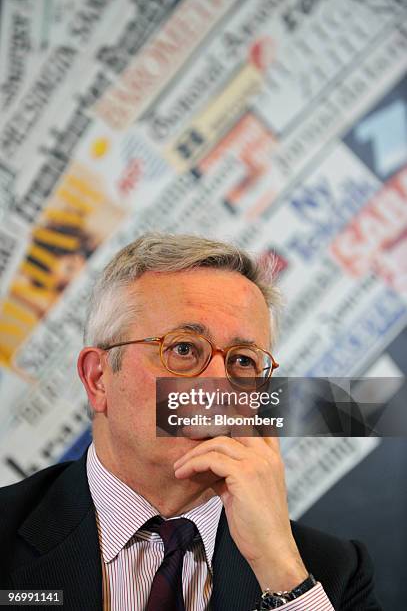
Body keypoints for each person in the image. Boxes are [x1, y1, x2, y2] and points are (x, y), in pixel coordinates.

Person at [0, 233, 382, 610]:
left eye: (243, 360)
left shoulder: (332, 574)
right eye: (182, 349)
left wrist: (281, 575)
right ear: (99, 378)